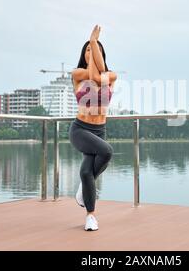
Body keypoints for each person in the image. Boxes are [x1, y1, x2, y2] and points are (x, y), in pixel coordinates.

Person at [68, 25, 117, 231]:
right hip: (80, 130)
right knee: (106, 151)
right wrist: (93, 40)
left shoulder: (111, 76)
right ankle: (89, 209)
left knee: (87, 172)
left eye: (94, 49)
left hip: (99, 130)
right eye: (87, 49)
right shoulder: (78, 74)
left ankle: (88, 211)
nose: (90, 51)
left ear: (101, 55)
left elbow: (98, 77)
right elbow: (91, 77)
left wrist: (94, 42)